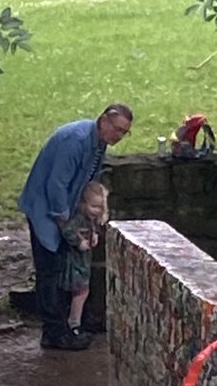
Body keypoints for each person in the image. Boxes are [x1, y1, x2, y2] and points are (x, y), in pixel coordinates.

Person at [17, 103, 133, 350]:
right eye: (117, 129)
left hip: (67, 208)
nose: (119, 136)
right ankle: (54, 332)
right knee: (48, 269)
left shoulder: (98, 144)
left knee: (62, 268)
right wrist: (64, 223)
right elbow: (56, 184)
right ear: (103, 120)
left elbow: (87, 181)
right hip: (45, 207)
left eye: (125, 132)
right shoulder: (75, 140)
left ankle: (66, 324)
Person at [59, 181, 109, 337]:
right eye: (93, 206)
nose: (97, 211)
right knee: (80, 293)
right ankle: (74, 324)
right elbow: (68, 230)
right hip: (74, 262)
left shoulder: (89, 219)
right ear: (83, 204)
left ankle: (74, 322)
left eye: (100, 207)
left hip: (83, 262)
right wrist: (79, 242)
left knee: (81, 292)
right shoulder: (79, 218)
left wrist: (93, 235)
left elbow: (90, 228)